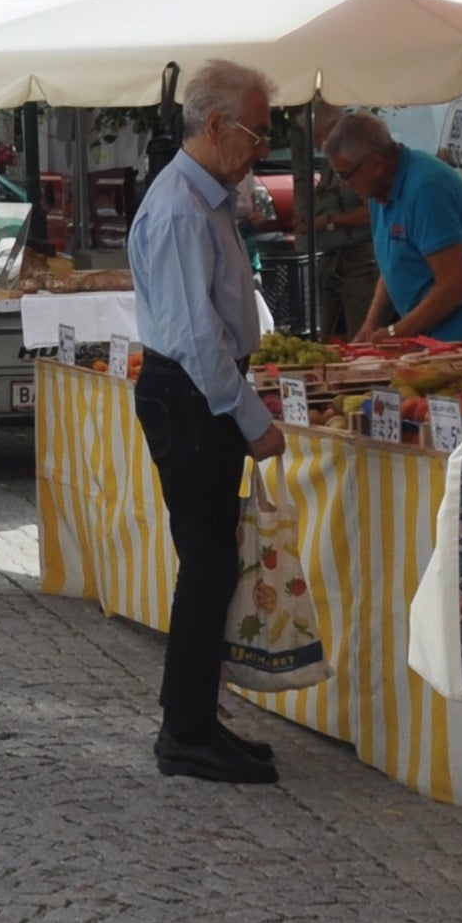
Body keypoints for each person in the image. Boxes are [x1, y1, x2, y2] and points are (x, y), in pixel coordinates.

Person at [127, 59, 290, 784]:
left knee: (212, 564)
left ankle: (194, 720)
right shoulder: (182, 208)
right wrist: (252, 420)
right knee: (208, 567)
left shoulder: (206, 197)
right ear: (217, 124)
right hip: (190, 395)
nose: (263, 147)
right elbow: (197, 340)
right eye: (256, 131)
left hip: (197, 392)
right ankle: (186, 732)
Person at [324, 109, 462, 349]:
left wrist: (398, 332)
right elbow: (393, 263)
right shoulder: (378, 191)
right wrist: (371, 325)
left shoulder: (428, 189)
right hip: (437, 330)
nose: (344, 184)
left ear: (375, 163)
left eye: (346, 175)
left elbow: (455, 286)